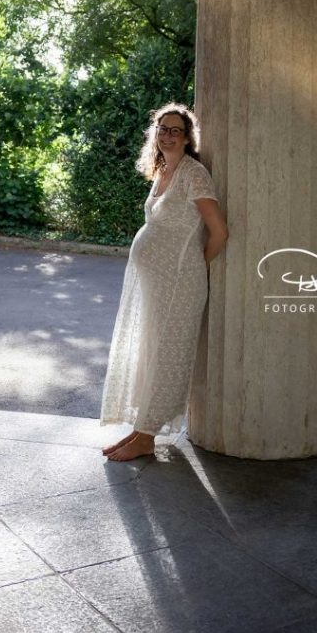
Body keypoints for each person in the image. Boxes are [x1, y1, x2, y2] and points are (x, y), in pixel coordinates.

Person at [100, 102, 229, 461]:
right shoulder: (162, 172)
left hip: (179, 282)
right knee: (150, 353)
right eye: (162, 129)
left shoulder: (194, 174)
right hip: (156, 283)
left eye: (176, 130)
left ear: (187, 138)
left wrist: (192, 265)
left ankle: (146, 438)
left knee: (168, 356)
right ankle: (140, 429)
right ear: (154, 135)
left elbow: (219, 231)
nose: (168, 135)